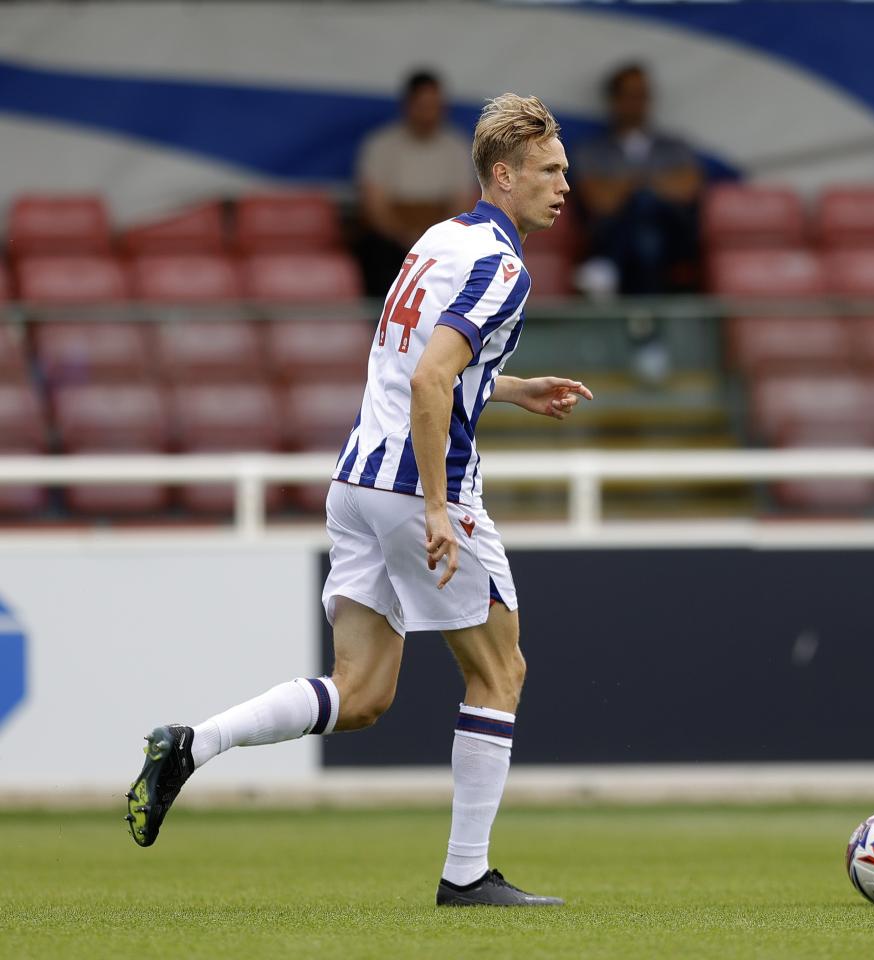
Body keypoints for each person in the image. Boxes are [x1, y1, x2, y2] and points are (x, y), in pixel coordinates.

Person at [126, 93, 590, 909]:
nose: (565, 184)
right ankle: (467, 877)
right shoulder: (505, 266)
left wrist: (511, 390)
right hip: (417, 490)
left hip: (357, 486)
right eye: (550, 170)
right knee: (500, 671)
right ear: (504, 174)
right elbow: (429, 377)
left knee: (362, 692)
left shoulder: (437, 241)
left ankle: (192, 745)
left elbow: (428, 361)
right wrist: (442, 509)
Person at [574, 63, 703, 295]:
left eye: (642, 95)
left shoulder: (675, 146)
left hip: (673, 238)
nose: (637, 102)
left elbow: (687, 190)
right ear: (614, 99)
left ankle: (607, 266)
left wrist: (629, 186)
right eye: (629, 95)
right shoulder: (590, 151)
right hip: (623, 237)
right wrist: (654, 183)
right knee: (646, 241)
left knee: (644, 205)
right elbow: (600, 202)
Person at [355, 70, 478, 294]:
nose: (429, 114)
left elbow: (462, 203)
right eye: (423, 106)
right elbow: (375, 207)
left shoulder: (457, 146)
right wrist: (406, 237)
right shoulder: (381, 145)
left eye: (435, 106)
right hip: (391, 240)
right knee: (376, 252)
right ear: (407, 105)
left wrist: (435, 239)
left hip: (443, 237)